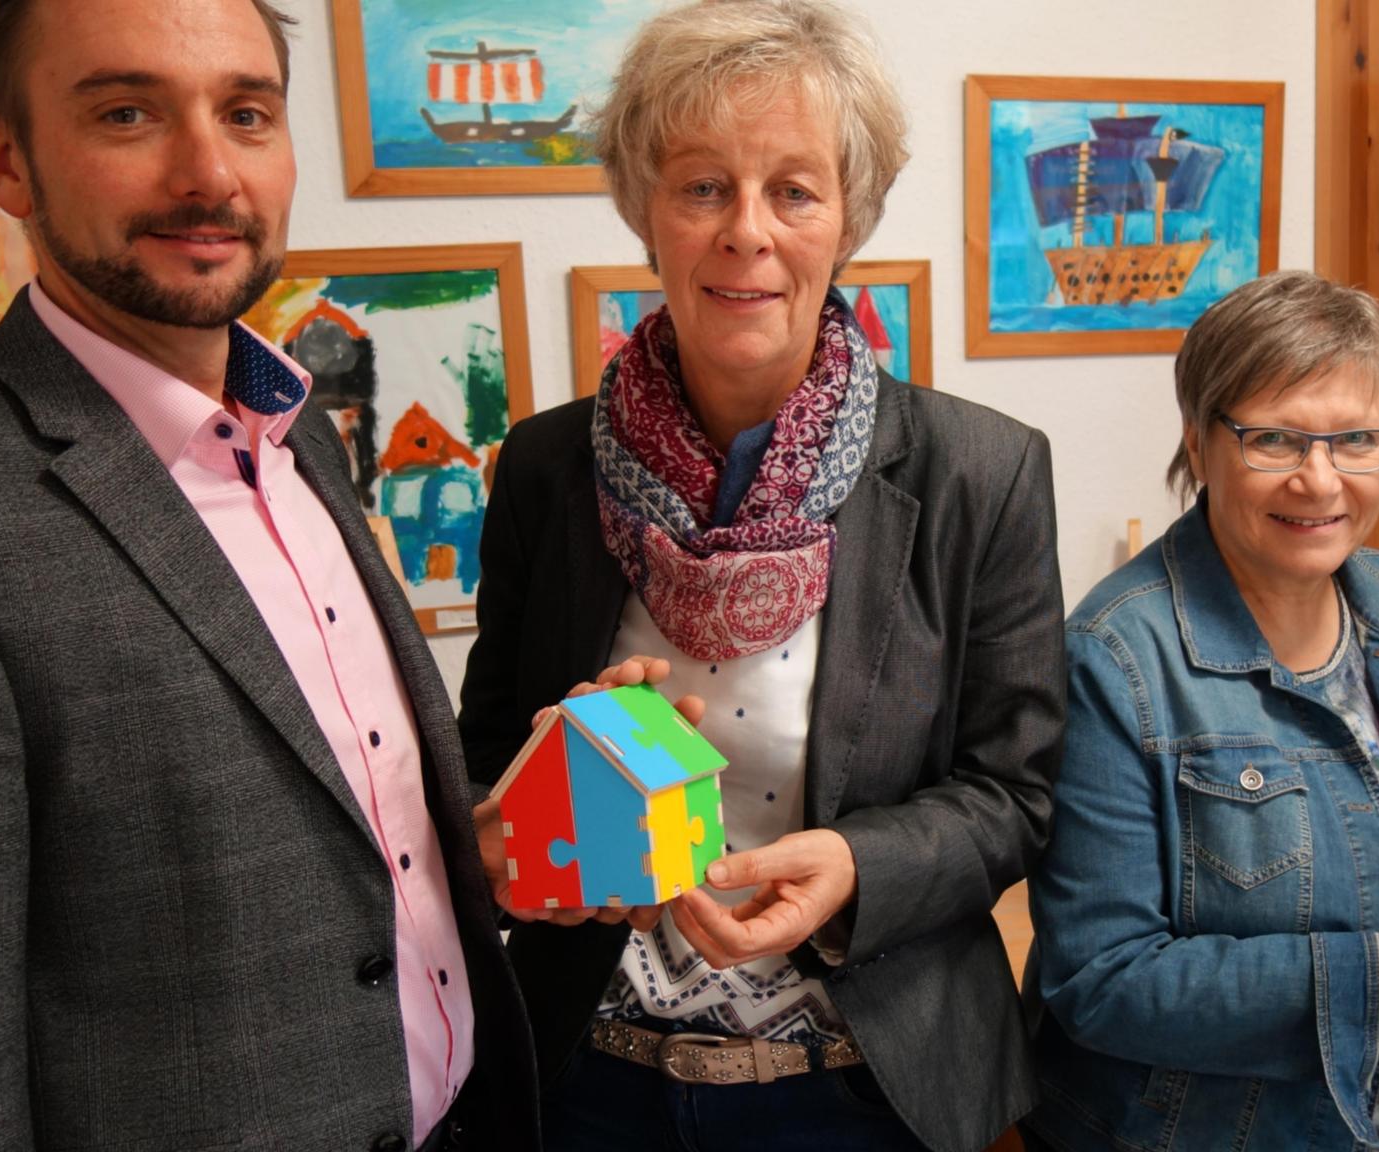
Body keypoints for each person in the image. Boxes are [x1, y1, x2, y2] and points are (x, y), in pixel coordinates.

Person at [454, 3, 1066, 1150]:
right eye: (701, 187)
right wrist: (544, 788)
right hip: (591, 1083)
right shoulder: (543, 466)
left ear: (848, 219)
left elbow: (1018, 798)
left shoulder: (981, 472)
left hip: (863, 1092)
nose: (747, 231)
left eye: (793, 189)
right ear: (645, 212)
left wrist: (853, 863)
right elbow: (485, 772)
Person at [0, 1, 537, 1150]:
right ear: (5, 159)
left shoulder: (297, 432)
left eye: (246, 113)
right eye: (127, 112)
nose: (209, 171)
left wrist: (465, 848)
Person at [1022, 271, 1379, 1152]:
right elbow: (1097, 982)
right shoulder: (1115, 661)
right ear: (1199, 439)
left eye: (1357, 438)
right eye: (1275, 439)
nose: (1320, 480)